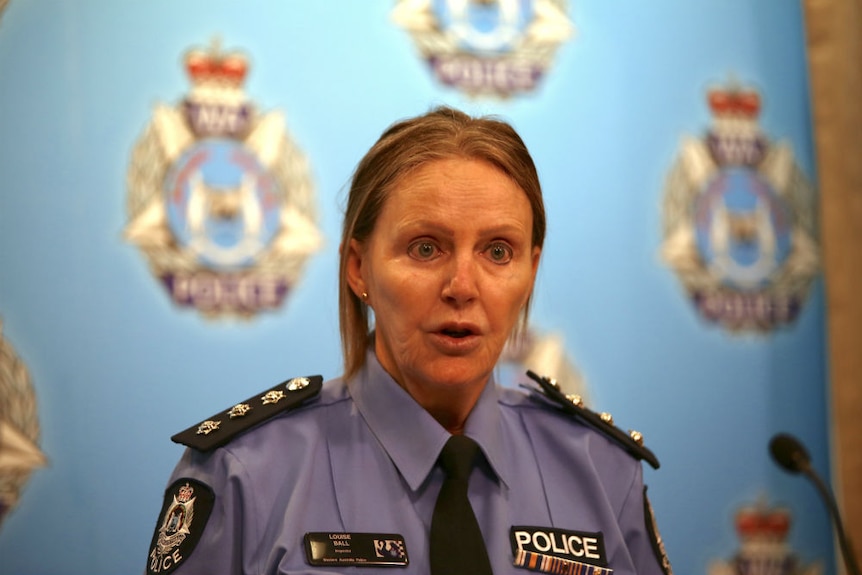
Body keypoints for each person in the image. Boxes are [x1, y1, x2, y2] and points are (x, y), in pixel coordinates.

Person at [145, 106, 672, 575]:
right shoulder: (243, 473)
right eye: (425, 249)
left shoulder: (603, 473)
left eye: (497, 252)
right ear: (358, 269)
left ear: (531, 271)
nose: (462, 287)